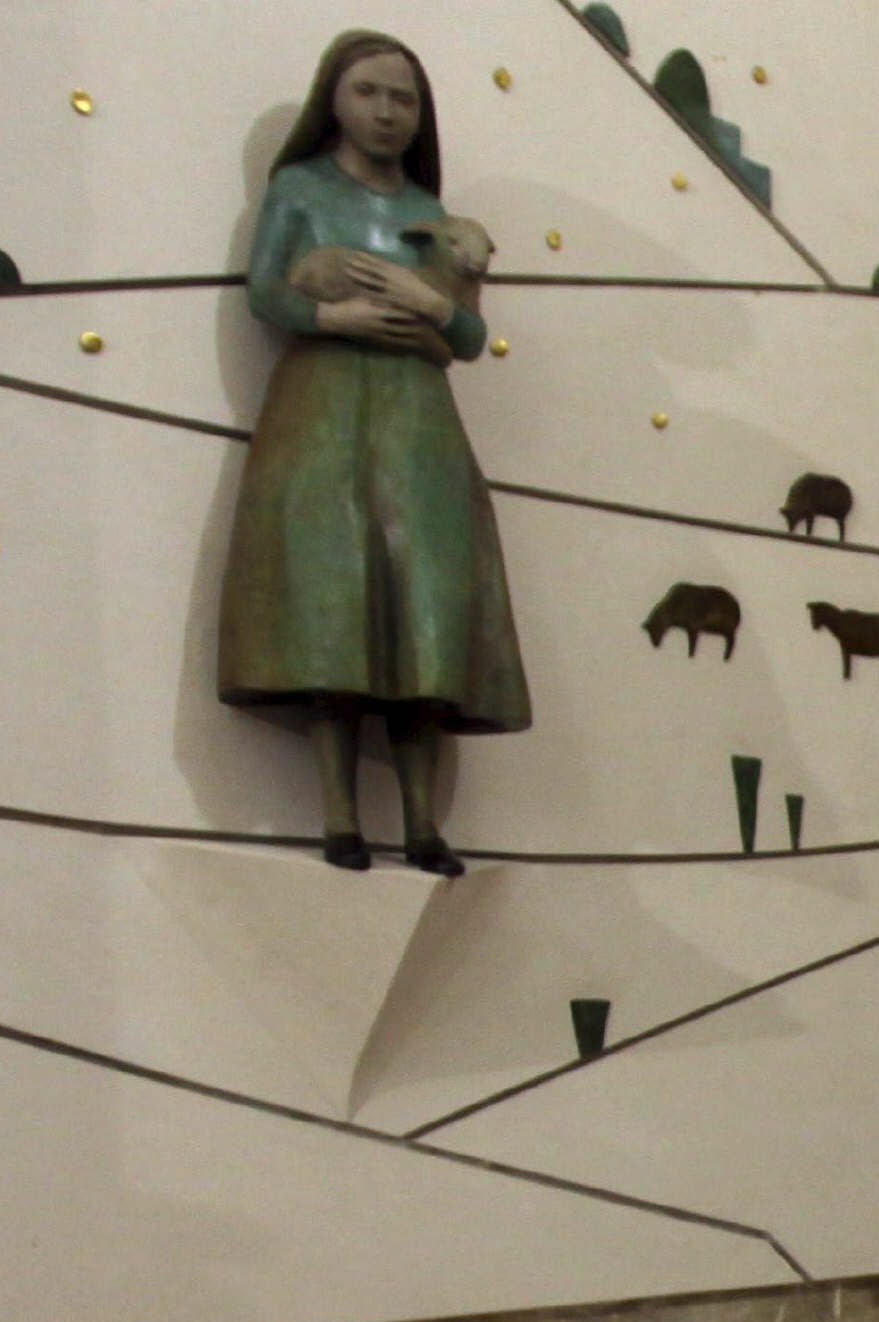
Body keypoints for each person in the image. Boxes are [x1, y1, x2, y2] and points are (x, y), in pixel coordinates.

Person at [218, 29, 532, 873]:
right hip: (321, 407)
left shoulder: (436, 217)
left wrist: (429, 308)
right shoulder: (302, 189)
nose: (387, 112)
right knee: (335, 606)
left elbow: (469, 336)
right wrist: (332, 318)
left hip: (416, 419)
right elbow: (265, 289)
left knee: (427, 603)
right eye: (369, 93)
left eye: (403, 98)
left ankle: (423, 823)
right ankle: (339, 818)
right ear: (336, 99)